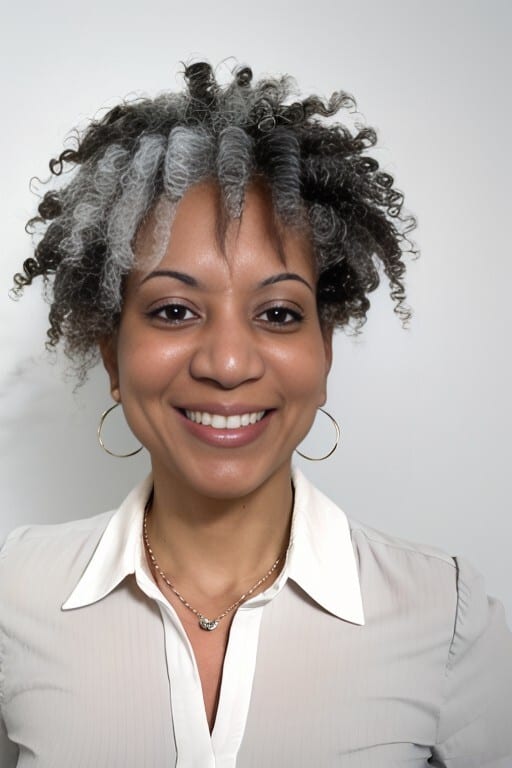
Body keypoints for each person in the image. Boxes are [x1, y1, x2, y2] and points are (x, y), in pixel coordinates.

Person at [1, 61, 511, 768]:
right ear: (113, 359)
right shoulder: (14, 595)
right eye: (174, 310)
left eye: (277, 313)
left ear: (323, 352)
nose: (229, 363)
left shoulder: (444, 615)